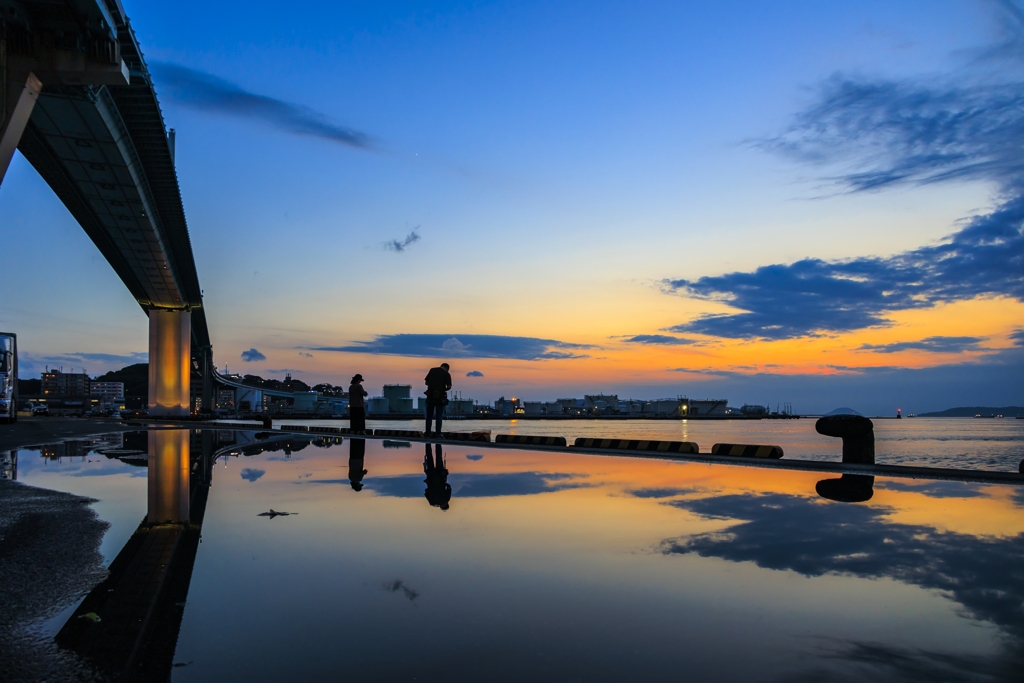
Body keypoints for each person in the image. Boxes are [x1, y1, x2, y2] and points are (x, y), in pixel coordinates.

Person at [423, 362, 452, 437]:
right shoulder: (446, 374)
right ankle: (438, 434)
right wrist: (443, 389)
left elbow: (426, 382)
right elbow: (449, 386)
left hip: (430, 396)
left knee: (429, 416)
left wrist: (433, 386)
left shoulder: (432, 370)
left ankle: (427, 434)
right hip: (440, 398)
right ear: (447, 368)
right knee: (439, 416)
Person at [423, 443, 451, 510]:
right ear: (441, 507)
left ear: (446, 504)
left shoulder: (446, 499)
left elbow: (449, 487)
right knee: (429, 456)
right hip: (431, 476)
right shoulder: (432, 502)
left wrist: (444, 483)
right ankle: (427, 442)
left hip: (440, 475)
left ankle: (438, 441)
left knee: (439, 457)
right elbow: (426, 492)